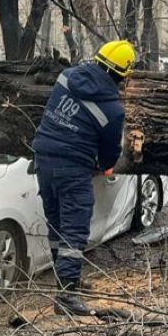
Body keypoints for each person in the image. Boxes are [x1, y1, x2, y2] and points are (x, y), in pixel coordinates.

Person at [32, 39, 134, 315]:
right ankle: (66, 296)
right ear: (122, 74)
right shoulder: (113, 110)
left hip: (43, 157)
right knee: (74, 230)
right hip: (73, 168)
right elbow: (111, 152)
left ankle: (68, 280)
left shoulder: (67, 77)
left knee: (57, 223)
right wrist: (105, 164)